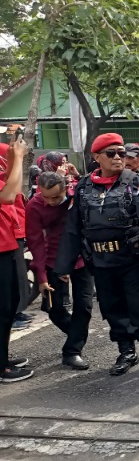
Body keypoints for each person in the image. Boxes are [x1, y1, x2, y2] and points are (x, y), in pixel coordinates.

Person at [54, 133, 139, 378]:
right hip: (100, 261)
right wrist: (63, 266)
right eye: (111, 153)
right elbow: (73, 228)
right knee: (112, 308)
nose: (118, 158)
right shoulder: (83, 188)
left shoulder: (137, 181)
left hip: (132, 259)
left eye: (121, 153)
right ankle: (126, 351)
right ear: (96, 157)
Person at [26, 172, 94, 369]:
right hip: (51, 260)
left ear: (65, 189)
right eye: (45, 196)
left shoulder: (77, 198)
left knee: (85, 305)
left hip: (80, 258)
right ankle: (78, 333)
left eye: (56, 197)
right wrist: (41, 277)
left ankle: (72, 351)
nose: (51, 202)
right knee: (54, 309)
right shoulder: (35, 206)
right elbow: (35, 242)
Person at [0, 138, 33, 382]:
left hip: (7, 243)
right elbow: (8, 195)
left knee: (9, 306)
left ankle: (3, 357)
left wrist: (13, 159)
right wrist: (19, 157)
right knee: (2, 308)